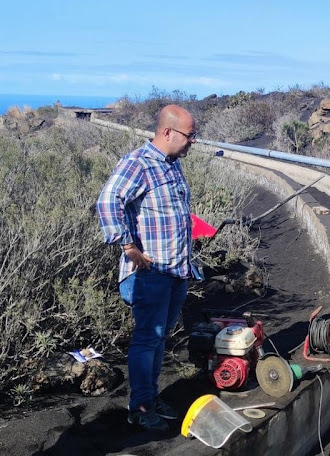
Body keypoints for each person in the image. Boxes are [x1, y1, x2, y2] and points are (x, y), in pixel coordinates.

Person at [96, 104, 196, 431]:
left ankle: (150, 397)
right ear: (167, 132)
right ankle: (140, 406)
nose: (192, 142)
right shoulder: (138, 164)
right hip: (151, 274)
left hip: (175, 270)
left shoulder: (170, 164)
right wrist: (128, 245)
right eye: (189, 135)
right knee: (146, 339)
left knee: (159, 338)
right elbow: (108, 201)